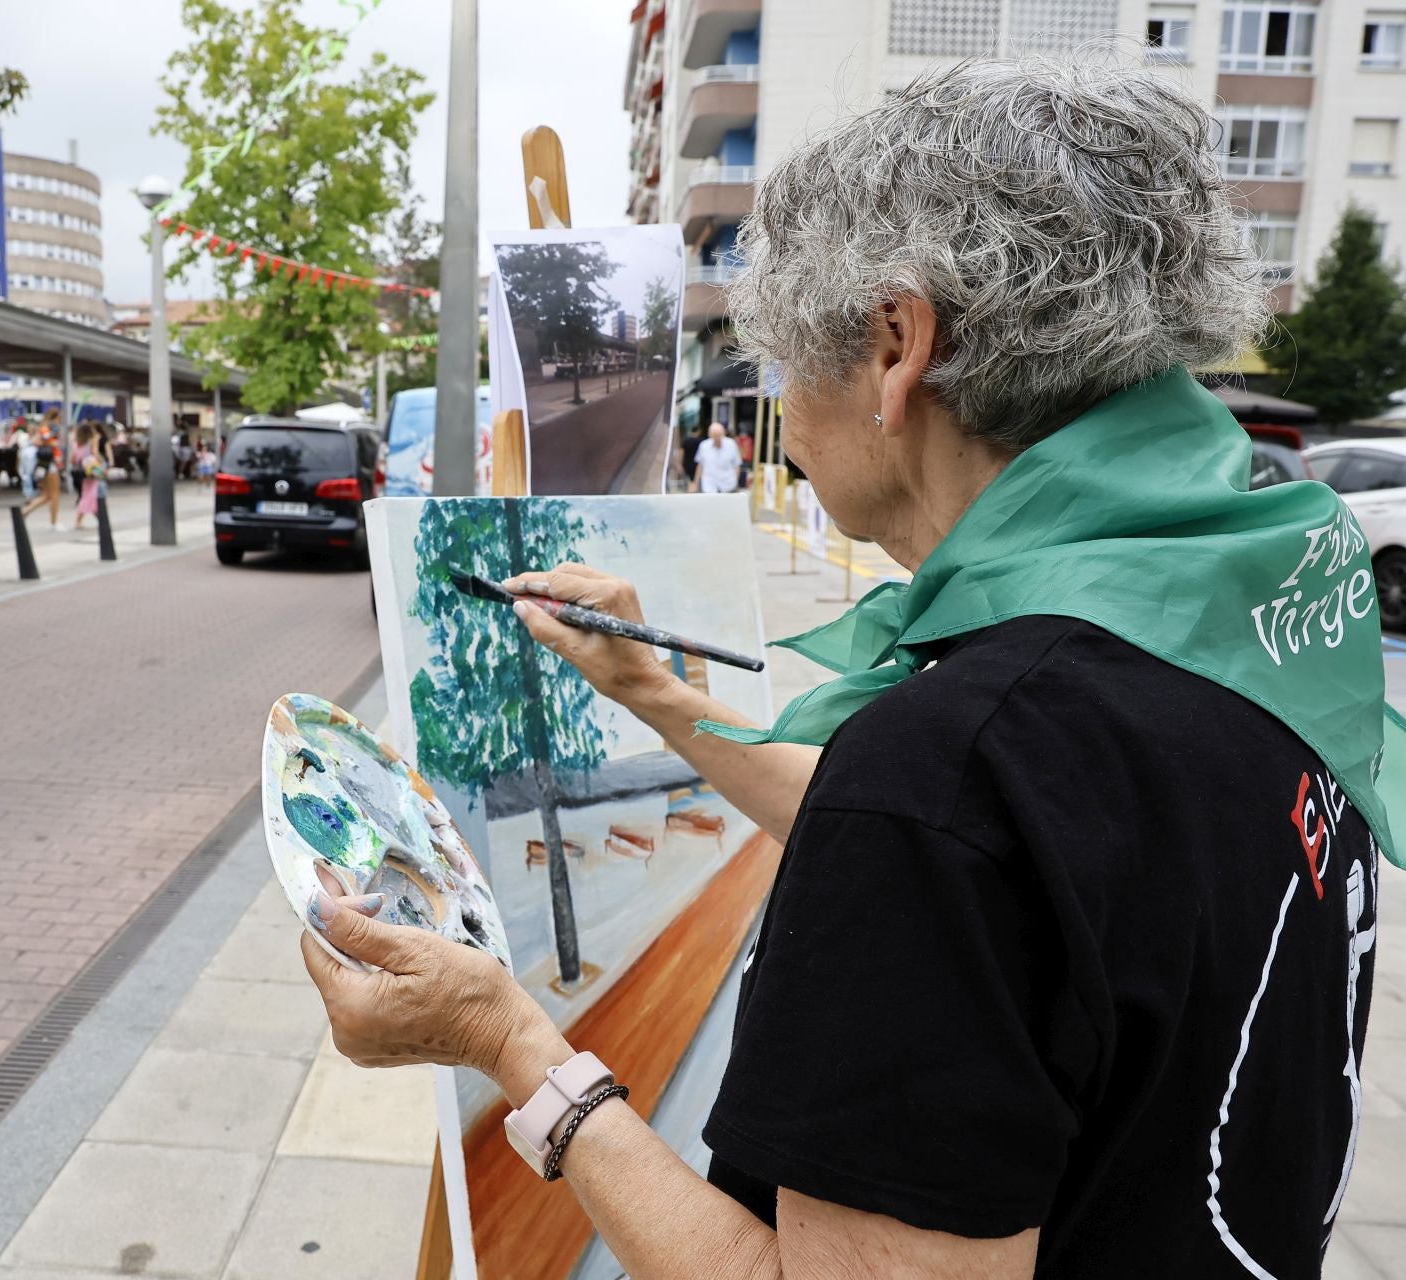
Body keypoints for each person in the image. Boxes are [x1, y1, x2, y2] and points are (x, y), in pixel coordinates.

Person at [300, 59, 1383, 1278]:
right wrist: (655, 693)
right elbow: (1033, 881)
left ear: (894, 345)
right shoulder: (1251, 608)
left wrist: (510, 1042)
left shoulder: (958, 768)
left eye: (774, 356)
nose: (773, 403)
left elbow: (952, 840)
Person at [21, 421, 65, 530]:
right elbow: (42, 442)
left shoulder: (43, 430)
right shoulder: (47, 430)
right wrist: (52, 442)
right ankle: (54, 523)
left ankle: (25, 511)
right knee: (54, 495)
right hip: (50, 466)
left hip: (44, 466)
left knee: (46, 496)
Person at [70, 423, 105, 531]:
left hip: (82, 473)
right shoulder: (90, 444)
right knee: (89, 496)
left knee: (90, 495)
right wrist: (100, 461)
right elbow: (95, 454)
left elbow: (72, 460)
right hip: (92, 472)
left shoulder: (76, 445)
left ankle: (101, 519)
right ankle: (79, 521)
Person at [692, 421, 741, 494]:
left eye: (719, 435)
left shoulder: (731, 444)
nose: (717, 437)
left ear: (723, 433)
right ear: (710, 435)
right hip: (709, 485)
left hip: (728, 485)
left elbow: (737, 464)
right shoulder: (704, 446)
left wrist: (735, 480)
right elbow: (700, 465)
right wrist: (695, 483)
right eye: (714, 435)